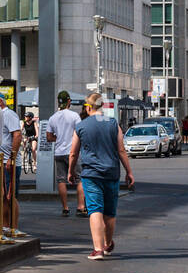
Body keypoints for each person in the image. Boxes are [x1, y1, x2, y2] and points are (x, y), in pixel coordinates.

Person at [69, 92, 134, 261]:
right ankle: (108, 243)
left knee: (95, 210)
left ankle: (98, 250)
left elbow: (73, 153)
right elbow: (121, 150)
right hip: (112, 173)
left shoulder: (81, 126)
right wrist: (129, 171)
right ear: (102, 106)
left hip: (91, 175)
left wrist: (70, 171)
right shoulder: (113, 124)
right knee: (110, 213)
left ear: (89, 107)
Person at [0, 94, 25, 239]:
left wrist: (12, 157)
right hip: (2, 161)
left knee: (10, 195)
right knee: (3, 195)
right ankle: (5, 226)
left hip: (8, 162)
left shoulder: (9, 114)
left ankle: (13, 227)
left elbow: (17, 135)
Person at [46, 91, 83, 216]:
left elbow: (49, 137)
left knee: (61, 180)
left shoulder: (53, 117)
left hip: (58, 152)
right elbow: (80, 133)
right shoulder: (74, 116)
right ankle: (80, 207)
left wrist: (60, 138)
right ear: (69, 101)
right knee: (80, 179)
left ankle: (65, 208)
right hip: (72, 152)